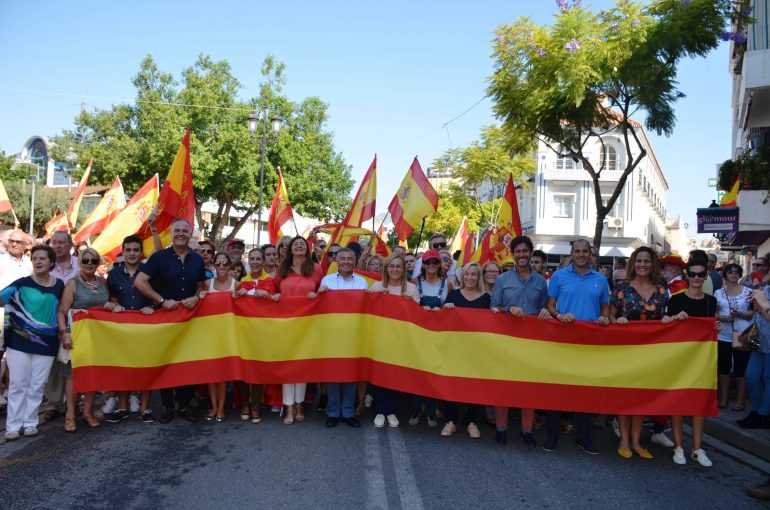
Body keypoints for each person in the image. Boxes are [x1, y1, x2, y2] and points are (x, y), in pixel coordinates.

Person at [134, 218, 208, 424]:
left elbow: (202, 285)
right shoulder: (159, 257)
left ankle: (184, 405)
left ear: (190, 233)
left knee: (186, 362)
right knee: (166, 361)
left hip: (189, 320)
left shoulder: (197, 259)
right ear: (172, 233)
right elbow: (139, 282)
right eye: (177, 230)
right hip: (165, 317)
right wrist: (161, 300)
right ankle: (167, 407)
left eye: (185, 230)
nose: (181, 233)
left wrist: (197, 297)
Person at [544, 239, 609, 455]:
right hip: (561, 343)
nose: (581, 254)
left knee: (584, 392)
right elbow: (550, 306)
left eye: (585, 251)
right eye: (577, 251)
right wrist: (559, 315)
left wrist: (604, 317)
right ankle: (552, 434)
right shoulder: (559, 276)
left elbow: (605, 308)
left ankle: (583, 437)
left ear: (591, 254)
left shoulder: (601, 279)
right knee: (557, 390)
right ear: (572, 254)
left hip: (588, 345)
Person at [608, 247, 668, 460]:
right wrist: (618, 320)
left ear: (653, 264)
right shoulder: (622, 288)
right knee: (625, 396)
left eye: (647, 261)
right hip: (625, 351)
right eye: (639, 261)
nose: (643, 264)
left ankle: (636, 441)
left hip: (650, 353)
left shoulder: (661, 289)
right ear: (634, 263)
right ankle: (624, 440)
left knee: (641, 396)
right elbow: (610, 315)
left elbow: (662, 316)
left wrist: (666, 320)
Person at [490, 236, 550, 447]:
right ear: (513, 254)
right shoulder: (502, 280)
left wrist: (545, 311)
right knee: (503, 384)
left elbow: (545, 308)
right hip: (506, 341)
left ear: (531, 253)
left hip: (531, 343)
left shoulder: (541, 282)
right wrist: (509, 309)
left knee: (529, 386)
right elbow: (493, 307)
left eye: (525, 251)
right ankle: (501, 428)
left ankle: (527, 430)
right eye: (518, 251)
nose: (522, 255)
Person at [1, 244, 64, 440]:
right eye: (35, 258)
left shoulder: (59, 286)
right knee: (18, 384)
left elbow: (64, 310)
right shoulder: (21, 283)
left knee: (37, 385)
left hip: (47, 343)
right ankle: (13, 426)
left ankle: (30, 423)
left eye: (42, 258)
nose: (38, 261)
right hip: (19, 341)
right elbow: (1, 298)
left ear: (51, 262)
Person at [664, 255, 720, 467]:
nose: (696, 278)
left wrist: (716, 327)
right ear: (687, 275)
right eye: (693, 274)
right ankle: (679, 447)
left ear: (705, 276)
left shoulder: (711, 301)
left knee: (698, 403)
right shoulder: (675, 300)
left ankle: (697, 449)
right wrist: (672, 319)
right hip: (678, 359)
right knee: (678, 402)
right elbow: (666, 327)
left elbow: (712, 325)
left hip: (700, 359)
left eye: (700, 274)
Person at [104, 235, 156, 423]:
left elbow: (157, 295)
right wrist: (115, 305)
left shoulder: (150, 272)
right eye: (128, 250)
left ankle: (144, 408)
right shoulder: (114, 274)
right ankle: (123, 407)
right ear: (123, 252)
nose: (132, 253)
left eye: (136, 250)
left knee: (146, 367)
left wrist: (152, 307)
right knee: (122, 367)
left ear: (141, 252)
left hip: (145, 327)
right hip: (122, 328)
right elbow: (112, 296)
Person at [58, 248, 111, 432]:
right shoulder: (72, 284)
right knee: (73, 376)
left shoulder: (103, 282)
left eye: (93, 261)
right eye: (85, 260)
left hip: (97, 337)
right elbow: (61, 312)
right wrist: (64, 333)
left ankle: (88, 412)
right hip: (77, 335)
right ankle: (70, 415)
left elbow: (108, 304)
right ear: (80, 262)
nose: (89, 264)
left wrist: (111, 305)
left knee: (92, 374)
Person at [316, 248, 369, 428]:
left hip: (354, 335)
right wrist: (318, 294)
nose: (346, 261)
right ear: (337, 261)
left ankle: (348, 412)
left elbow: (367, 308)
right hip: (332, 334)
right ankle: (332, 412)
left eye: (350, 259)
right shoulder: (326, 280)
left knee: (351, 374)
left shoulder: (362, 282)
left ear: (355, 261)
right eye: (343, 258)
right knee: (333, 374)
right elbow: (319, 306)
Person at [274, 235, 324, 424]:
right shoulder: (282, 268)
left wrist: (317, 294)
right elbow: (274, 289)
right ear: (290, 249)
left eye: (302, 244)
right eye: (295, 244)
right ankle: (288, 407)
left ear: (307, 249)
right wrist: (275, 295)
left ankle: (299, 405)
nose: (299, 246)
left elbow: (322, 292)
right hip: (286, 324)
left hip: (307, 324)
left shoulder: (316, 269)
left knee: (302, 364)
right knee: (288, 364)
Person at [441, 262, 492, 439]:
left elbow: (491, 325)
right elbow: (443, 321)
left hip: (477, 350)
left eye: (474, 274)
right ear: (462, 277)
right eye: (467, 274)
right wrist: (446, 309)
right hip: (454, 348)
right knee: (452, 383)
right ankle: (451, 421)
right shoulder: (454, 295)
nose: (470, 277)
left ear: (479, 277)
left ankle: (471, 422)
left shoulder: (486, 299)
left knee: (475, 385)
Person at [369, 253, 419, 428]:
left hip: (401, 340)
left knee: (395, 376)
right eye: (392, 266)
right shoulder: (377, 286)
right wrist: (375, 296)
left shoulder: (411, 289)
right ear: (386, 268)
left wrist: (410, 303)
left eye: (398, 266)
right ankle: (380, 411)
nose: (395, 269)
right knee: (380, 376)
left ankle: (391, 411)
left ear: (404, 269)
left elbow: (418, 315)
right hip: (380, 339)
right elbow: (368, 309)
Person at [40, 231, 79, 423]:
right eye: (54, 242)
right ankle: (53, 404)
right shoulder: (46, 265)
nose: (57, 246)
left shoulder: (81, 263)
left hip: (76, 321)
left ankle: (75, 401)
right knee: (53, 363)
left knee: (75, 362)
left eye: (61, 242)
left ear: (70, 244)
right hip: (50, 321)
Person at [197, 252, 239, 422]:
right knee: (211, 374)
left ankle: (221, 407)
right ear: (213, 265)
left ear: (229, 265)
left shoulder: (236, 284)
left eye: (225, 263)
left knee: (223, 375)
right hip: (210, 334)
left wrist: (241, 295)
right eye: (218, 263)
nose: (222, 267)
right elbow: (198, 305)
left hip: (228, 335)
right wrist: (200, 296)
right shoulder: (208, 284)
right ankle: (213, 407)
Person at [409, 249, 448, 428]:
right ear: (422, 265)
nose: (431, 265)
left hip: (439, 335)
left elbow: (453, 306)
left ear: (440, 264)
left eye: (435, 262)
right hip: (419, 334)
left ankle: (431, 411)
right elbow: (408, 306)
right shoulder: (415, 282)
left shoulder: (448, 283)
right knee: (418, 373)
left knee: (434, 373)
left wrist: (444, 309)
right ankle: (416, 409)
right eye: (428, 262)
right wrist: (420, 310)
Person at [714, 263, 753, 411]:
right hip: (723, 335)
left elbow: (753, 313)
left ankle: (740, 401)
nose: (734, 274)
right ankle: (723, 399)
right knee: (723, 368)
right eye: (730, 271)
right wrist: (723, 318)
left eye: (737, 272)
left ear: (740, 275)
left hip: (742, 335)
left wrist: (740, 314)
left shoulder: (748, 292)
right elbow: (713, 313)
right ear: (725, 275)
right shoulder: (718, 293)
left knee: (740, 369)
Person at [737, 286, 770, 429]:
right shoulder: (766, 288)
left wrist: (763, 305)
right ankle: (756, 412)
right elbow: (757, 315)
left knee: (768, 379)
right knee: (751, 376)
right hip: (760, 342)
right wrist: (747, 333)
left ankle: (763, 415)